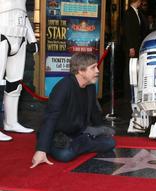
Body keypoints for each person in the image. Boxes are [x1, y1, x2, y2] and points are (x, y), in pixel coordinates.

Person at [31, 53, 116, 168]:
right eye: (93, 68)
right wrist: (41, 149)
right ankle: (83, 142)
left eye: (97, 67)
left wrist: (101, 130)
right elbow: (50, 117)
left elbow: (94, 112)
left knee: (110, 143)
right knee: (65, 155)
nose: (97, 71)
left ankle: (81, 142)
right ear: (81, 71)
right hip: (58, 135)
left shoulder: (90, 87)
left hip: (78, 132)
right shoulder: (63, 87)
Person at [0, 0, 38, 141]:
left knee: (15, 83)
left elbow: (23, 15)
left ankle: (11, 122)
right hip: (2, 34)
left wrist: (31, 39)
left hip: (19, 37)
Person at [123, 0, 145, 99]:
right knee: (129, 68)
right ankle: (128, 93)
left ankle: (135, 92)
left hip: (137, 45)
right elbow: (128, 31)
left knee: (135, 68)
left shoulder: (138, 12)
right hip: (132, 46)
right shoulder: (128, 13)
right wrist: (130, 47)